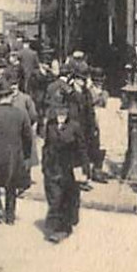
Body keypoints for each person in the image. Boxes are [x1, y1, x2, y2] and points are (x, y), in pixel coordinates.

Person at [0, 82, 32, 225]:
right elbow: (28, 136)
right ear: (11, 98)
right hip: (14, 156)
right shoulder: (20, 114)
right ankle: (10, 216)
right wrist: (27, 155)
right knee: (11, 187)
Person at [42, 102, 87, 243]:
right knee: (54, 197)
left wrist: (83, 169)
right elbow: (47, 146)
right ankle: (58, 226)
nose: (60, 115)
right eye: (58, 111)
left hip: (69, 168)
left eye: (63, 112)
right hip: (52, 167)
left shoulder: (75, 127)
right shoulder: (50, 126)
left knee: (67, 198)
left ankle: (62, 228)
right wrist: (44, 165)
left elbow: (82, 149)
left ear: (68, 112)